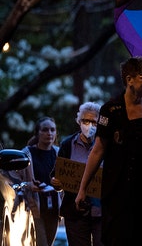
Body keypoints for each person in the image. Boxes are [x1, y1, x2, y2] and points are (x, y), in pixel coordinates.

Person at [74, 57, 142, 246]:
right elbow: (98, 150)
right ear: (129, 79)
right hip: (121, 192)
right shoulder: (111, 110)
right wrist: (83, 189)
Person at [51, 102, 102, 246]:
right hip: (75, 212)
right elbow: (57, 173)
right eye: (85, 121)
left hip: (102, 211)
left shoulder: (107, 144)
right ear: (79, 121)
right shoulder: (67, 144)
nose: (89, 125)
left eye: (93, 121)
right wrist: (56, 182)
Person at [13, 116, 61, 246]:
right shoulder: (26, 154)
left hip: (54, 209)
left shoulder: (59, 154)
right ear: (37, 133)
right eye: (45, 130)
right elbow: (13, 180)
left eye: (52, 130)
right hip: (34, 209)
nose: (49, 133)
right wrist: (28, 185)